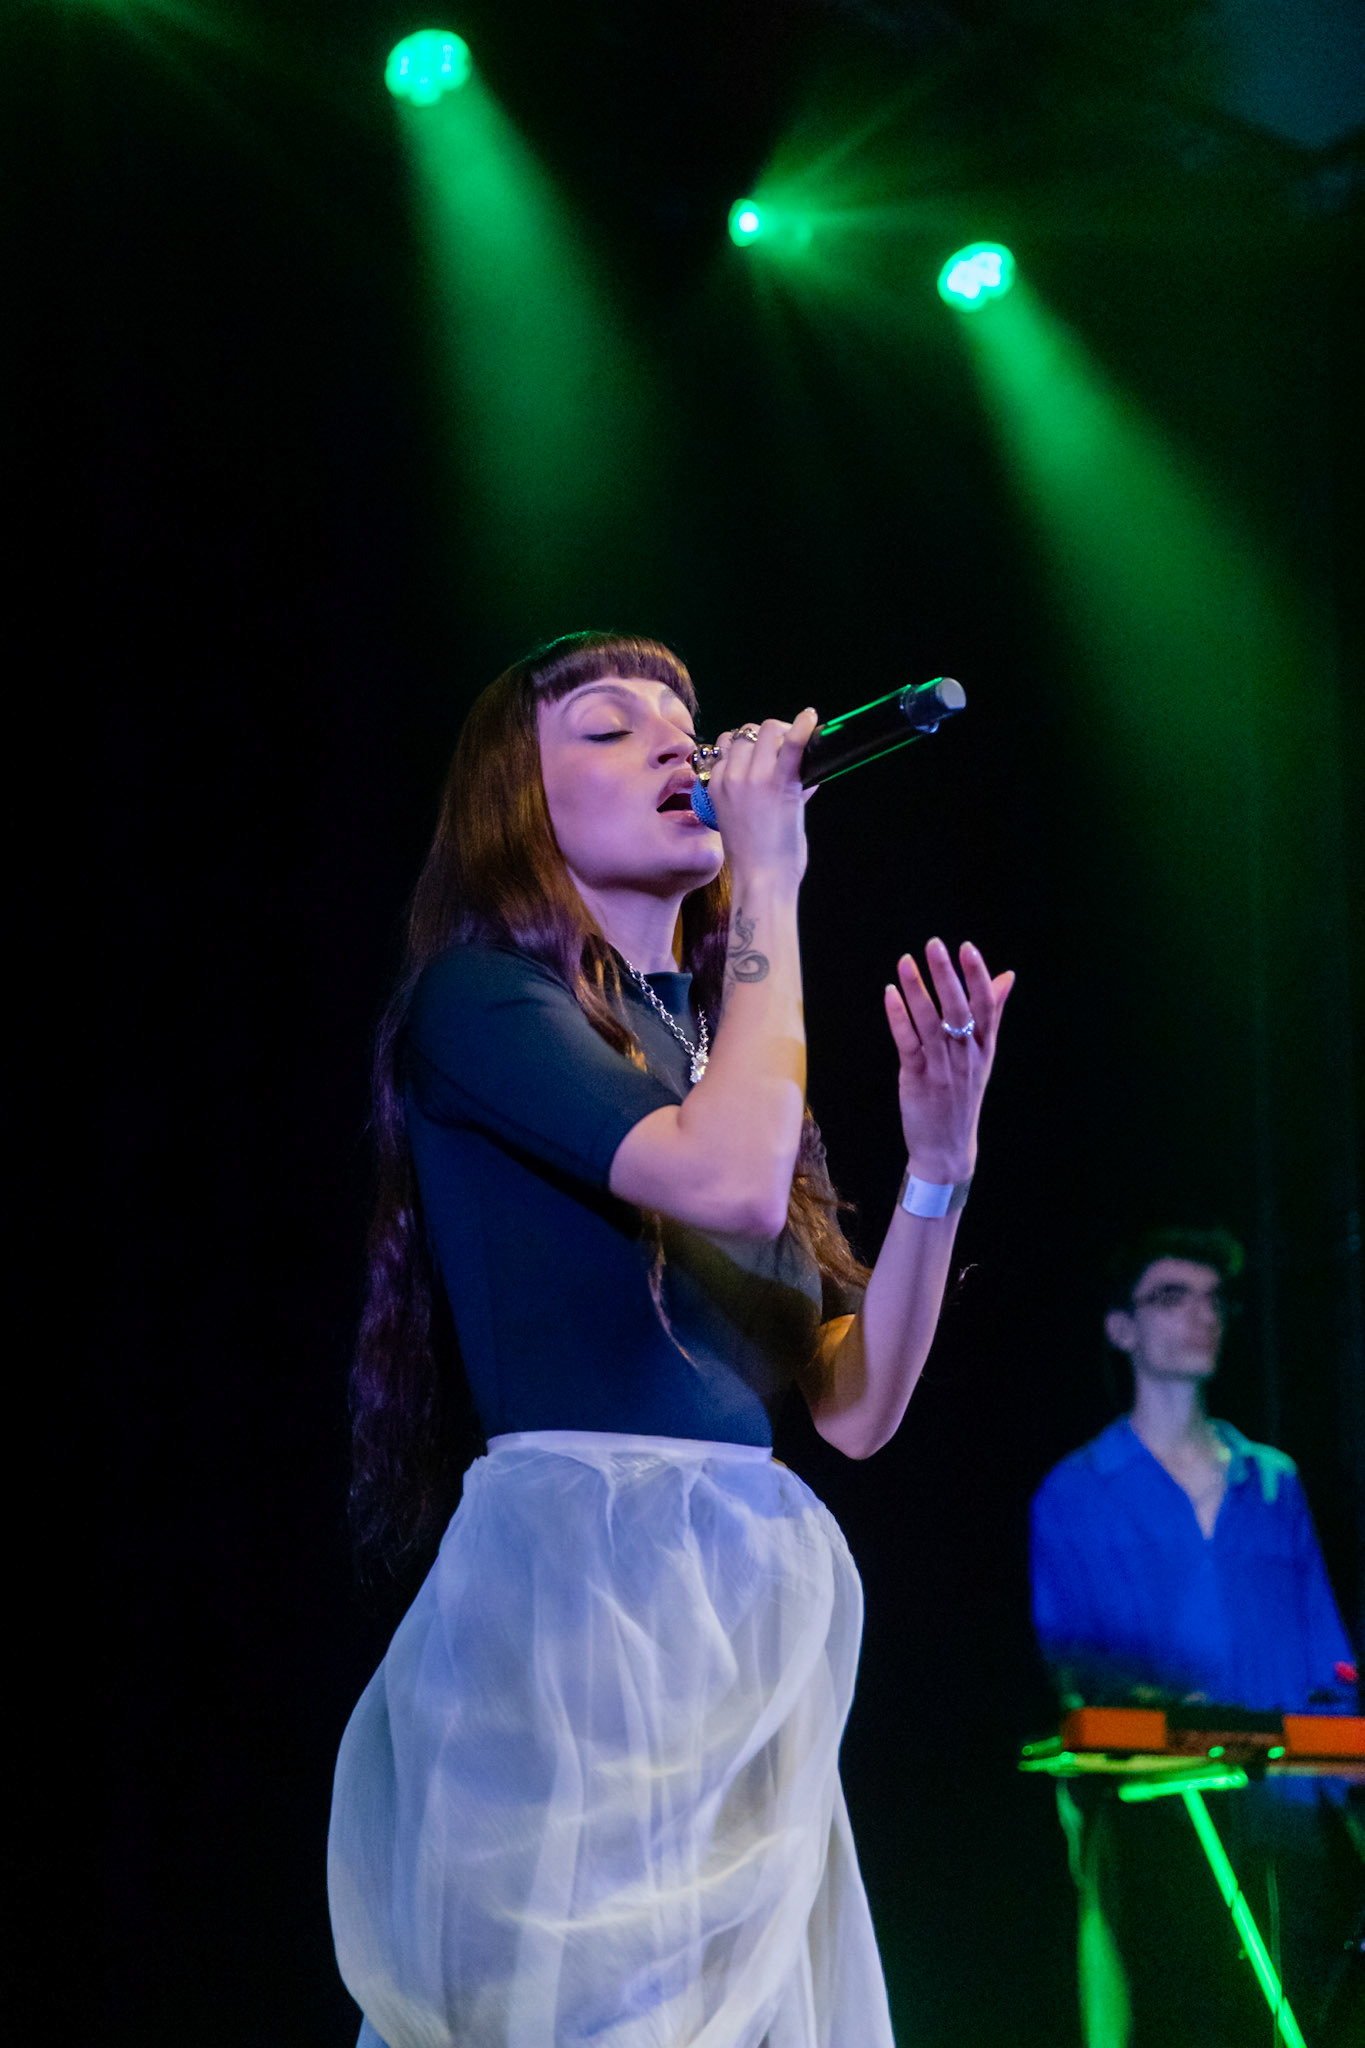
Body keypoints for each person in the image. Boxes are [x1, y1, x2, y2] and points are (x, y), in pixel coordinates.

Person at [327, 632, 1013, 2048]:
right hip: (586, 1580)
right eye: (609, 726)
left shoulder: (717, 1047)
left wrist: (938, 1166)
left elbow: (853, 1401)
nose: (676, 748)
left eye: (683, 723)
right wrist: (772, 876)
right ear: (516, 802)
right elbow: (725, 1180)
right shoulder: (482, 1003)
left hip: (735, 1600)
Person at [1030, 1227, 1360, 2048]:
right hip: (1158, 1818)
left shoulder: (1271, 1478)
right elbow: (1080, 1666)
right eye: (1172, 1297)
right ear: (1122, 1328)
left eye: (1212, 1300)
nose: (1200, 1315)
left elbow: (1327, 1654)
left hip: (1287, 1809)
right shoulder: (1075, 1492)